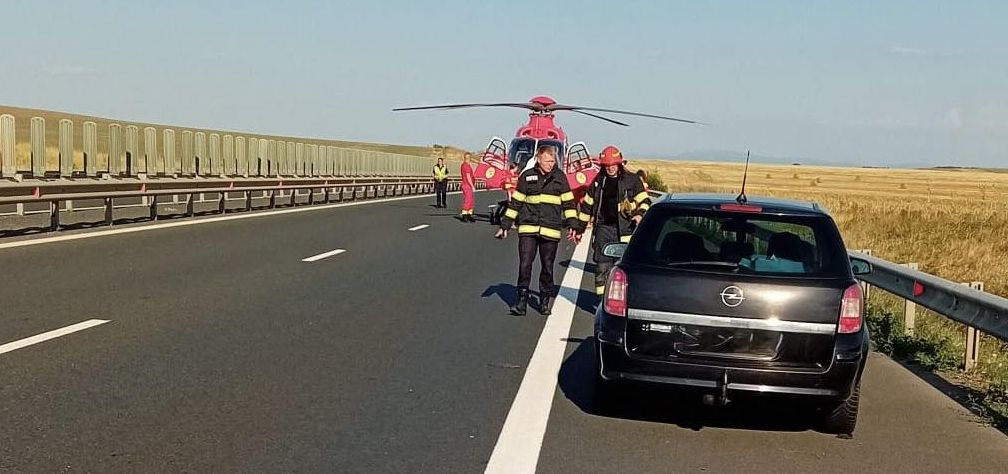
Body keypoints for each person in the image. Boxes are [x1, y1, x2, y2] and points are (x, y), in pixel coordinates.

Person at [495, 144, 579, 316]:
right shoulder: (527, 177)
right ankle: (521, 302)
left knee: (547, 267)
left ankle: (544, 301)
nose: (550, 163)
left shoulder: (560, 178)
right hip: (528, 228)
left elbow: (569, 204)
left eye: (553, 160)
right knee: (525, 264)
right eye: (547, 160)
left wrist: (573, 226)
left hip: (550, 230)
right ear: (538, 159)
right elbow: (516, 203)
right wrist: (505, 226)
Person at [577, 145, 651, 296]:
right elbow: (587, 206)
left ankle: (621, 300)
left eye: (613, 165)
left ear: (619, 164)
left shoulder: (632, 180)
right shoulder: (599, 181)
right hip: (603, 229)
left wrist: (639, 214)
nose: (610, 168)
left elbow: (646, 201)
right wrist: (579, 229)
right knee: (602, 267)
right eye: (607, 165)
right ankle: (601, 302)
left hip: (625, 230)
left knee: (623, 269)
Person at [459, 153, 476, 222]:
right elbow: (468, 176)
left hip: (467, 185)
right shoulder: (466, 166)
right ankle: (464, 216)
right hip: (467, 185)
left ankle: (469, 214)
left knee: (471, 201)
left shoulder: (466, 165)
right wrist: (472, 186)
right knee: (468, 200)